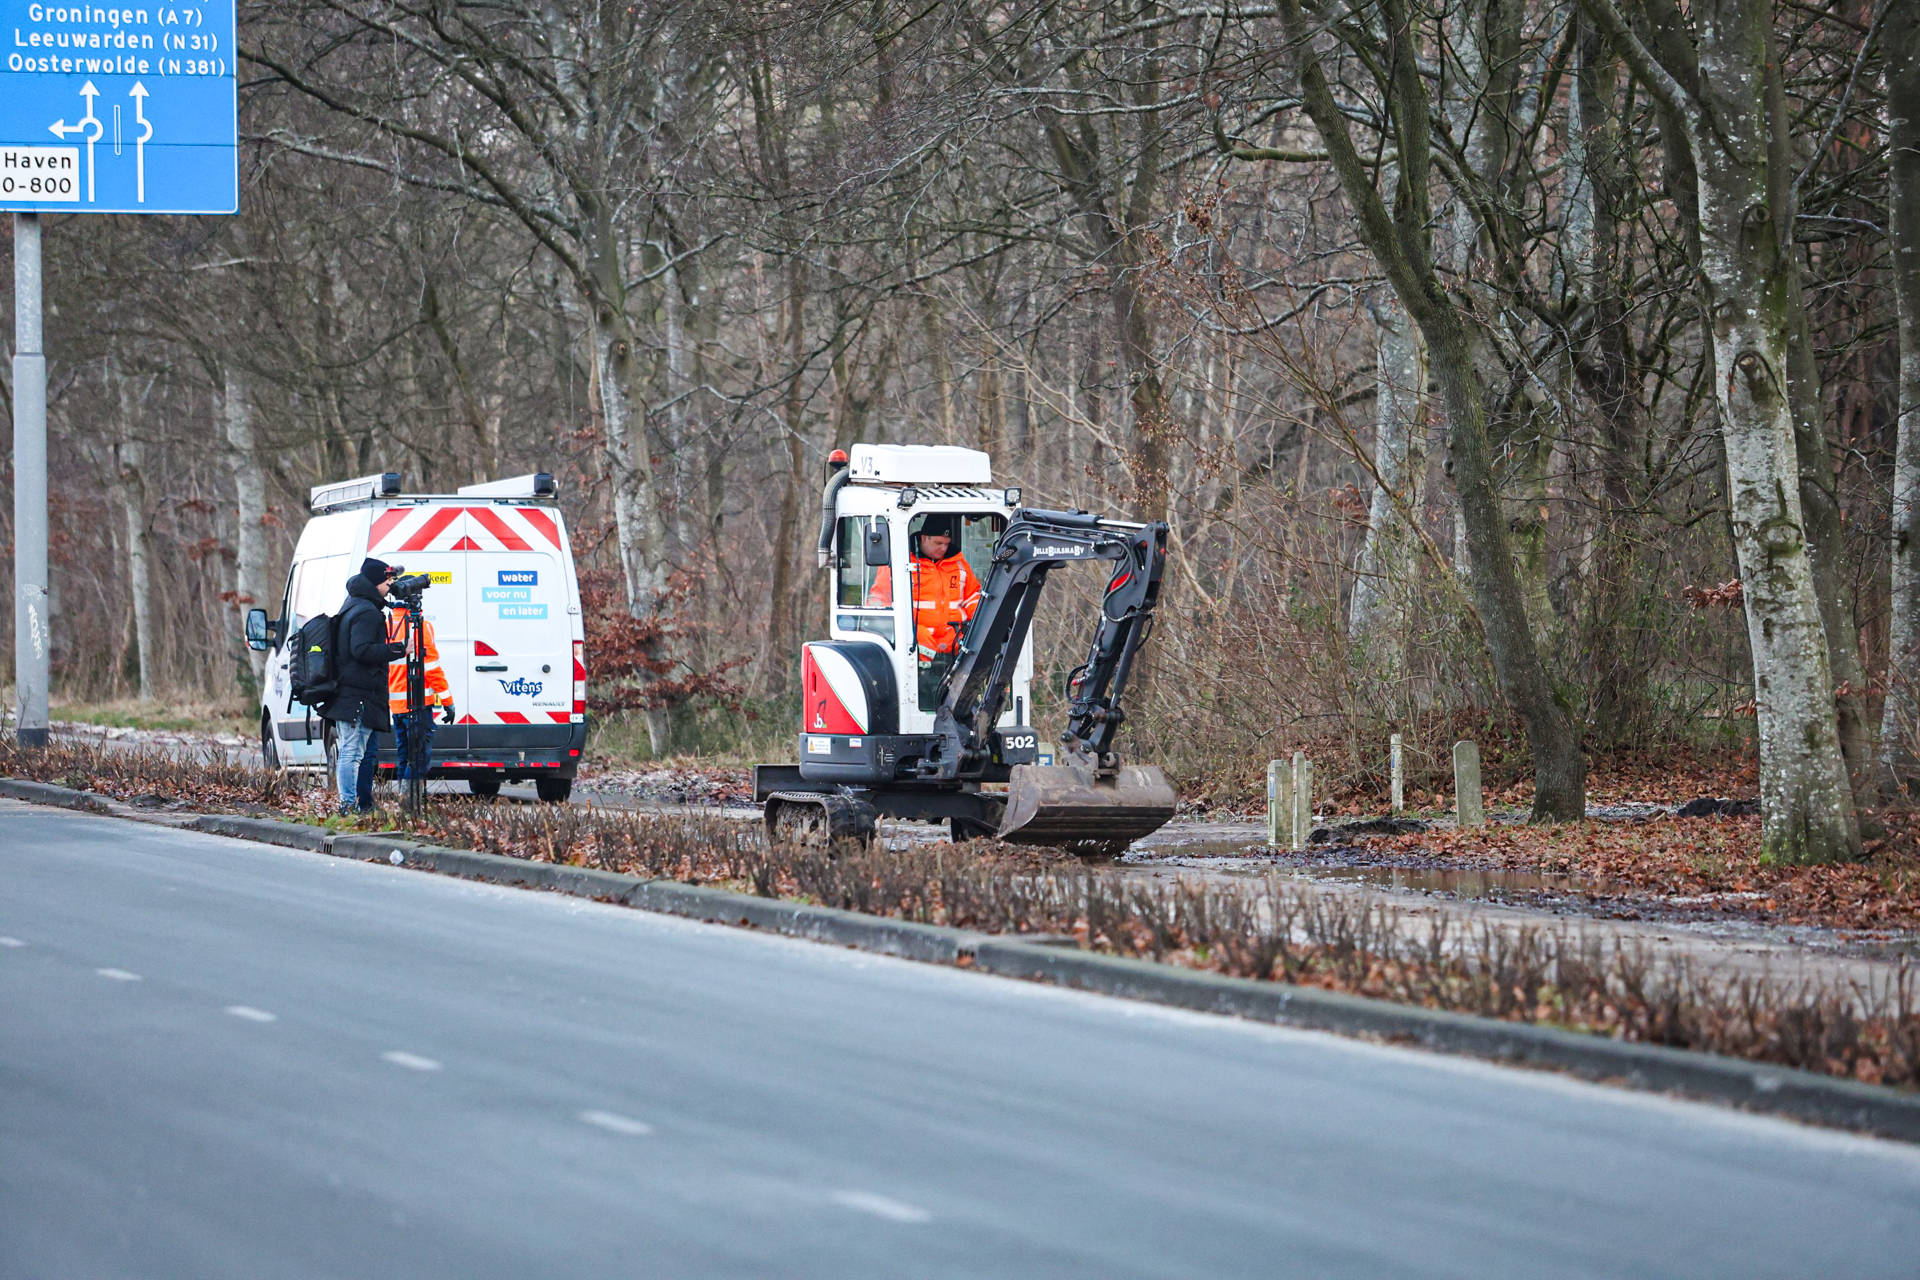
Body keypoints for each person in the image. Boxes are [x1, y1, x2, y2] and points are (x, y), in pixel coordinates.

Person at [866, 515, 983, 708]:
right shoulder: (900, 563)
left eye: (946, 543)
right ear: (923, 538)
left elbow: (973, 597)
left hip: (955, 651)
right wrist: (909, 632)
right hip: (916, 653)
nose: (943, 548)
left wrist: (980, 624)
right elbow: (880, 601)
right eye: (938, 543)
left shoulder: (959, 564)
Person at [320, 558, 406, 814]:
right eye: (387, 581)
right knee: (352, 754)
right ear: (375, 582)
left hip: (351, 692)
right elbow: (361, 650)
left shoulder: (353, 604)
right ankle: (348, 805)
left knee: (357, 752)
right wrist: (399, 649)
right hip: (359, 695)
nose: (390, 586)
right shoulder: (367, 612)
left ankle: (359, 803)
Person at [386, 605, 454, 784]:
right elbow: (432, 669)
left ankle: (403, 798)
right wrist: (447, 701)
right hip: (418, 704)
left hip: (397, 705)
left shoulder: (388, 625)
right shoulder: (420, 627)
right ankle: (409, 802)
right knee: (418, 758)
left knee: (404, 757)